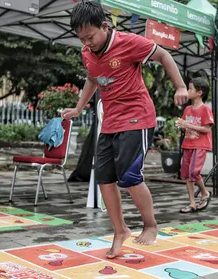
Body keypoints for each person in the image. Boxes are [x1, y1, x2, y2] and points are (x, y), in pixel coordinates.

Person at [61, 2, 188, 258]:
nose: (87, 43)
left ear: (105, 26)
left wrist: (181, 87)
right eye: (82, 39)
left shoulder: (129, 42)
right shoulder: (87, 52)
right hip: (110, 121)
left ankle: (151, 225)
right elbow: (92, 79)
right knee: (104, 178)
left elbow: (164, 55)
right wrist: (78, 108)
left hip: (137, 117)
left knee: (129, 175)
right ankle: (120, 230)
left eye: (91, 36)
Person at [176, 77, 213, 213]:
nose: (187, 91)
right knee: (186, 175)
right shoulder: (187, 110)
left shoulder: (205, 109)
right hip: (188, 144)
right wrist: (182, 125)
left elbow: (207, 129)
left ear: (200, 92)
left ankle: (205, 193)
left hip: (200, 145)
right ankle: (192, 203)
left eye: (190, 89)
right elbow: (186, 127)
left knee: (193, 172)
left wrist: (188, 124)